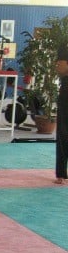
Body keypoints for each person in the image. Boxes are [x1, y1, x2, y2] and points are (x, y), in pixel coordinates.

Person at [55, 44, 68, 184]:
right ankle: (61, 174)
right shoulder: (64, 48)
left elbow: (61, 68)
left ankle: (62, 174)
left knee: (64, 131)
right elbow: (61, 68)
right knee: (63, 131)